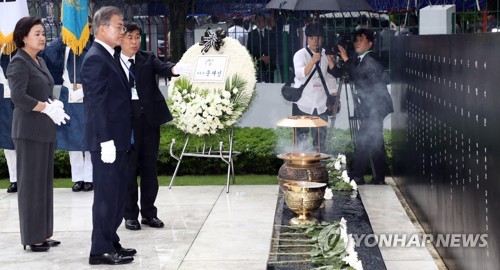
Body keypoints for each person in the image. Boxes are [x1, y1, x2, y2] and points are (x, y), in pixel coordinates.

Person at [118, 22, 191, 231]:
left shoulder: (147, 58)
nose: (134, 42)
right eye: (130, 37)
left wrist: (175, 69)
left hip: (149, 122)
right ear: (121, 38)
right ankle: (130, 215)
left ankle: (149, 214)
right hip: (126, 124)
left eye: (137, 37)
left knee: (150, 168)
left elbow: (164, 67)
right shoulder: (113, 61)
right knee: (129, 170)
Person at [7, 16, 70, 252]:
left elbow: (43, 91)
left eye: (43, 33)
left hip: (45, 130)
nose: (42, 38)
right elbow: (18, 97)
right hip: (28, 132)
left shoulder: (39, 61)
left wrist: (55, 103)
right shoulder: (19, 63)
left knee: (43, 185)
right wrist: (47, 107)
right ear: (23, 37)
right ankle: (32, 237)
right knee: (31, 185)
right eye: (37, 33)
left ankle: (44, 232)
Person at [80, 6, 134, 265]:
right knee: (106, 195)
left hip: (119, 138)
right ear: (103, 29)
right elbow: (96, 105)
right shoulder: (94, 58)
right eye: (119, 26)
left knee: (117, 194)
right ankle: (99, 249)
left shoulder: (109, 55)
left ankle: (111, 240)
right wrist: (105, 141)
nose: (123, 30)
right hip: (107, 140)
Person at [337, 29, 393, 185]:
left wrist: (346, 58)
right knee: (376, 143)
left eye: (360, 40)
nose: (357, 42)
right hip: (372, 108)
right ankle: (379, 177)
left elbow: (359, 78)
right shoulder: (360, 59)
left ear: (370, 43)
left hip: (376, 107)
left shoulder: (372, 58)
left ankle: (357, 175)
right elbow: (344, 72)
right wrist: (333, 61)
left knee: (363, 140)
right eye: (356, 40)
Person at [44, 37, 94, 192]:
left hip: (88, 91)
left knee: (89, 134)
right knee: (72, 136)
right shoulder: (64, 45)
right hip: (69, 92)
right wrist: (64, 37)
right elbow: (48, 53)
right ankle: (78, 177)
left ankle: (90, 177)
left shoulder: (92, 45)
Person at [292, 22, 338, 152]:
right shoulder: (300, 54)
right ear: (307, 38)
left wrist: (334, 95)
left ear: (322, 39)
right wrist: (312, 61)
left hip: (321, 103)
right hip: (303, 103)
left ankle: (319, 167)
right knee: (301, 139)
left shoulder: (326, 54)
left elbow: (329, 76)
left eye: (317, 38)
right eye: (311, 38)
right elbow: (300, 74)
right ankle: (301, 169)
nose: (315, 41)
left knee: (320, 141)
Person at [0, 53, 17, 193]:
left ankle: (26, 178)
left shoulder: (19, 51)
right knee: (8, 143)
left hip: (20, 92)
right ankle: (14, 179)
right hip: (3, 97)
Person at [247, 13, 276, 83]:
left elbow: (274, 47)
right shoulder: (251, 34)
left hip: (269, 62)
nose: (260, 22)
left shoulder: (271, 33)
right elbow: (250, 48)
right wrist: (260, 57)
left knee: (270, 82)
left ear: (265, 21)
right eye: (258, 21)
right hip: (258, 62)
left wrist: (269, 57)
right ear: (255, 22)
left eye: (261, 20)